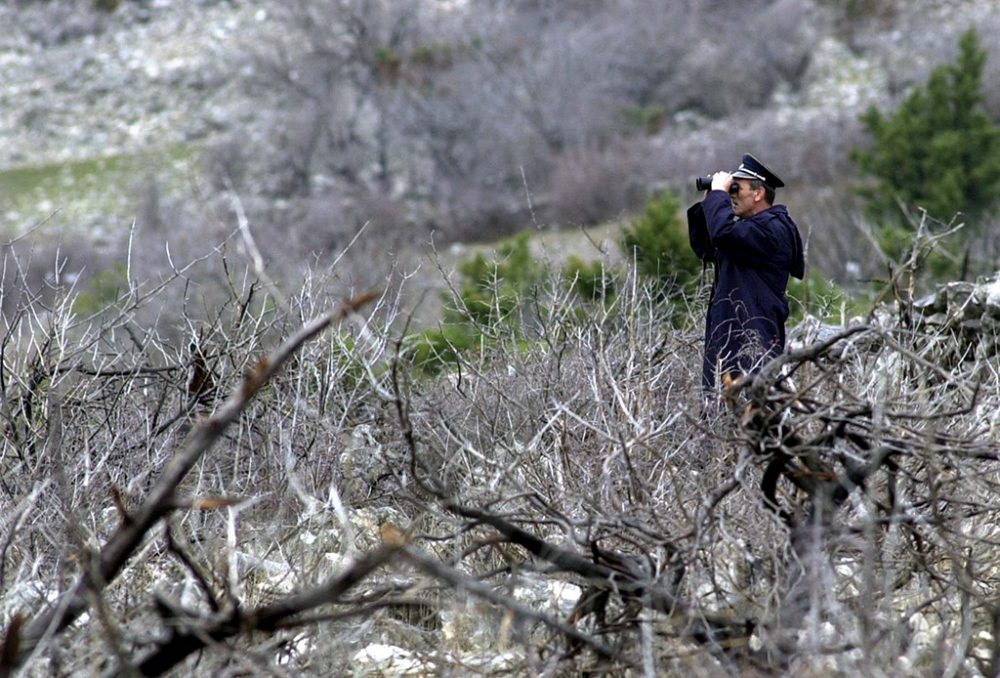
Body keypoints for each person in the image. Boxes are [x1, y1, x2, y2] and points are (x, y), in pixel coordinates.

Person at [687, 153, 805, 395]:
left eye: (736, 189)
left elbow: (722, 233)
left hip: (753, 340)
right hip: (730, 336)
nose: (731, 195)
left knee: (750, 410)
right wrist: (711, 199)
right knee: (719, 411)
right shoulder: (746, 232)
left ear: (758, 193)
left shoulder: (774, 228)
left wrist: (719, 196)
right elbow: (705, 247)